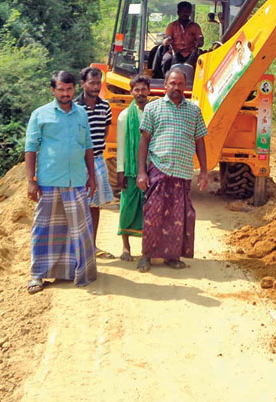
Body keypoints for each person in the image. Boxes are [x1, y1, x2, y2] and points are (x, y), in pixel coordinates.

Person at [24, 71, 97, 294]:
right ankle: (37, 275)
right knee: (44, 230)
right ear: (53, 90)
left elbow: (87, 146)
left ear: (74, 89)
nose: (65, 94)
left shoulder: (81, 114)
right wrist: (31, 181)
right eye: (61, 90)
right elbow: (30, 148)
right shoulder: (40, 115)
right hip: (48, 181)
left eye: (69, 89)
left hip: (75, 181)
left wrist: (92, 177)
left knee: (78, 230)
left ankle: (79, 271)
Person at [136, 66, 209, 272]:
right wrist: (142, 171)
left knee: (179, 217)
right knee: (153, 214)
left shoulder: (194, 110)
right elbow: (144, 141)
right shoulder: (153, 108)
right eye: (172, 83)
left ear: (186, 86)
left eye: (180, 84)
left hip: (183, 171)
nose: (176, 87)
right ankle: (147, 256)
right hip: (159, 168)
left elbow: (200, 142)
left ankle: (172, 256)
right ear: (165, 85)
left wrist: (204, 171)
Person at [77, 66, 114, 258]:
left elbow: (105, 132)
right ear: (82, 84)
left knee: (95, 206)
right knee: (77, 206)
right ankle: (77, 248)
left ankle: (92, 246)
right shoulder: (75, 108)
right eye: (91, 83)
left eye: (98, 83)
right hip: (78, 163)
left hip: (98, 160)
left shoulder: (105, 106)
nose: (95, 87)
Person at [115, 74, 151, 261]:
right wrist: (120, 171)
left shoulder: (154, 112)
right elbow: (121, 145)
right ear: (131, 92)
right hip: (130, 170)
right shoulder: (124, 116)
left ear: (149, 91)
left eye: (143, 89)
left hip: (151, 168)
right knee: (127, 206)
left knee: (150, 210)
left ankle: (148, 248)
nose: (140, 93)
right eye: (136, 89)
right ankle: (126, 247)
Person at [161, 1, 204, 76]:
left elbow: (200, 39)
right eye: (183, 11)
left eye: (187, 11)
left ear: (190, 12)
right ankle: (166, 78)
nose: (185, 14)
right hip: (174, 52)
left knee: (202, 62)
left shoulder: (195, 26)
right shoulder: (172, 26)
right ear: (178, 12)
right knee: (166, 60)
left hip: (191, 53)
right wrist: (167, 41)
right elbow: (166, 39)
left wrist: (199, 42)